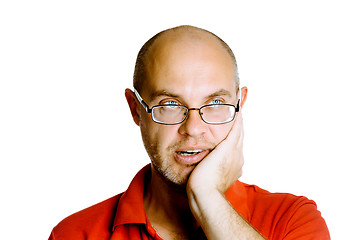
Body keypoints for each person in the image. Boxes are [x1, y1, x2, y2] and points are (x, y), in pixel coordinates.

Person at [48, 25, 330, 240]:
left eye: (215, 103)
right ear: (136, 110)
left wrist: (207, 195)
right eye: (170, 105)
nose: (193, 129)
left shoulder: (291, 219)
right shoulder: (76, 233)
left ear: (240, 105)